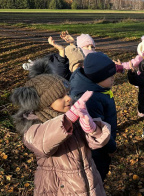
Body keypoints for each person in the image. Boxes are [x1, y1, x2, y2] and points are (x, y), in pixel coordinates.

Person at [10, 61, 110, 195]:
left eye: (67, 93)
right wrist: (68, 119)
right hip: (58, 188)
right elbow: (41, 144)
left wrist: (92, 128)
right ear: (45, 102)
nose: (68, 98)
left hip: (89, 182)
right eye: (60, 96)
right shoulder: (34, 124)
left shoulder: (73, 115)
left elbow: (95, 144)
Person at [69, 52, 117, 181]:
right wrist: (111, 146)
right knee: (97, 175)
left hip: (103, 141)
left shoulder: (99, 89)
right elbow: (97, 131)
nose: (113, 78)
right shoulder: (91, 99)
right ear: (97, 78)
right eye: (109, 76)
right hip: (96, 149)